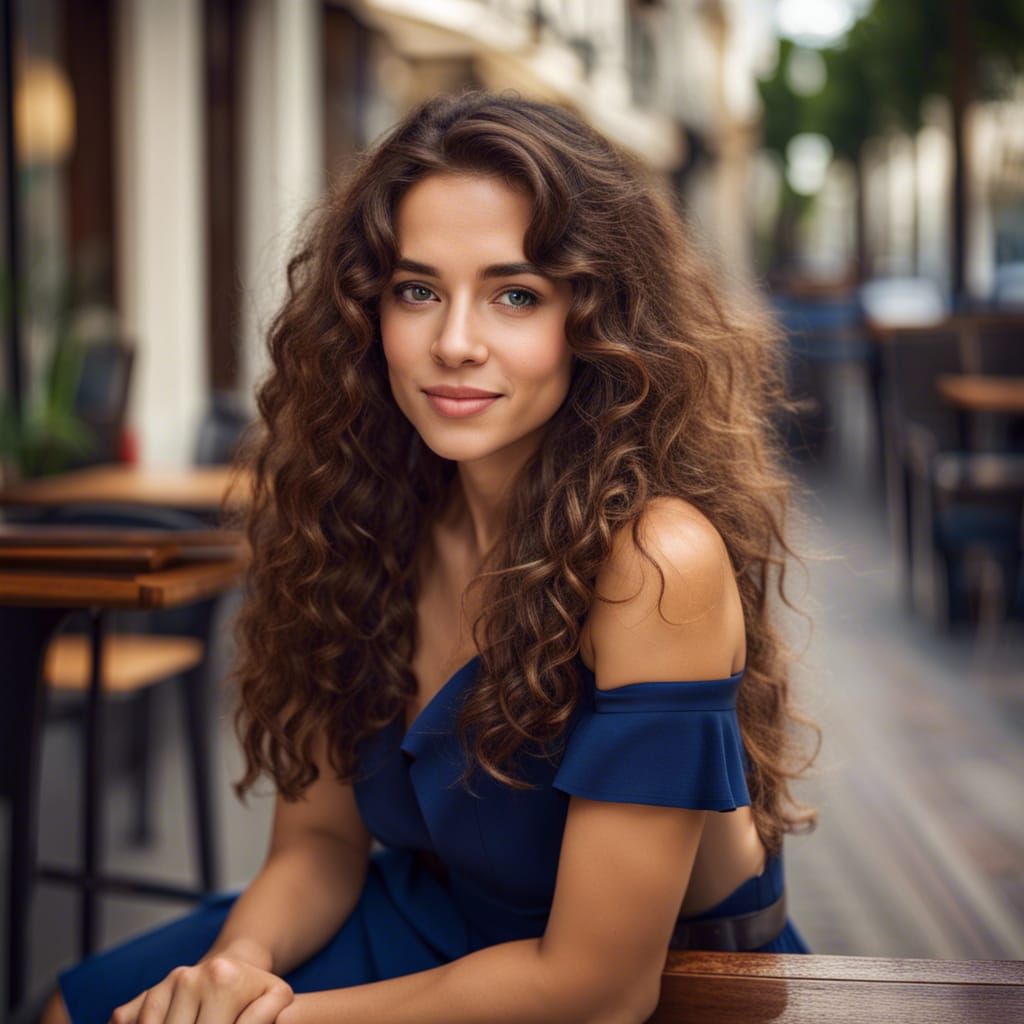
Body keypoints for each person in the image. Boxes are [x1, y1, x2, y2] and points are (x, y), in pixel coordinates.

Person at [43, 88, 820, 1024]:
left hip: (666, 989)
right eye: (418, 291)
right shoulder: (361, 521)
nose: (455, 343)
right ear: (367, 312)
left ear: (598, 319)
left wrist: (274, 1023)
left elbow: (601, 989)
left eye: (515, 294)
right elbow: (320, 846)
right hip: (435, 917)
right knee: (76, 1008)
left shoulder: (656, 563)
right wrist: (235, 971)